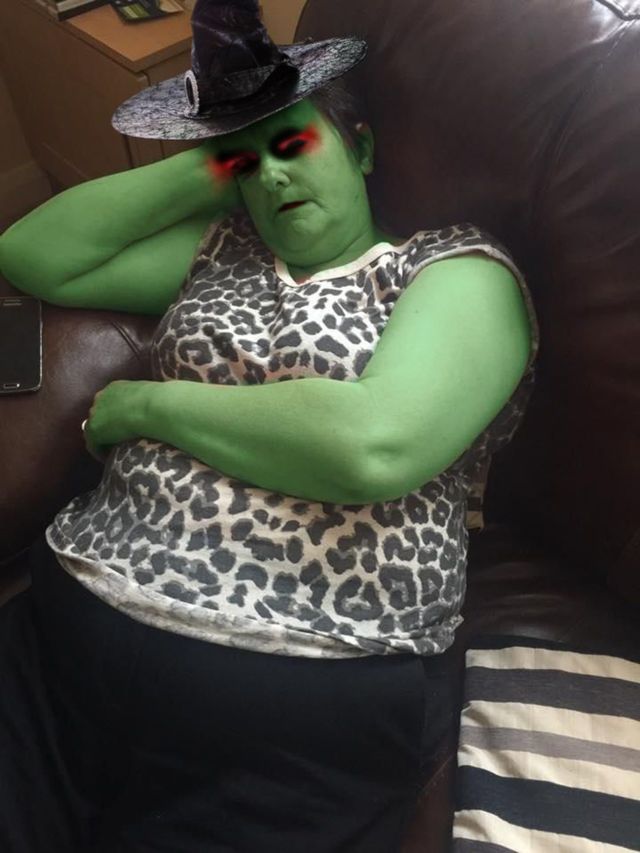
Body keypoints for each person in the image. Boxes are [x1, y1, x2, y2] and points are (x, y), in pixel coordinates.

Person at [0, 0, 538, 850]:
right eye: (252, 164)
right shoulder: (226, 251)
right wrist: (216, 162)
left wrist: (149, 405)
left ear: (360, 148)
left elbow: (371, 444)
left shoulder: (452, 269)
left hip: (292, 691)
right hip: (64, 634)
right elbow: (31, 256)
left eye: (294, 144)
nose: (274, 176)